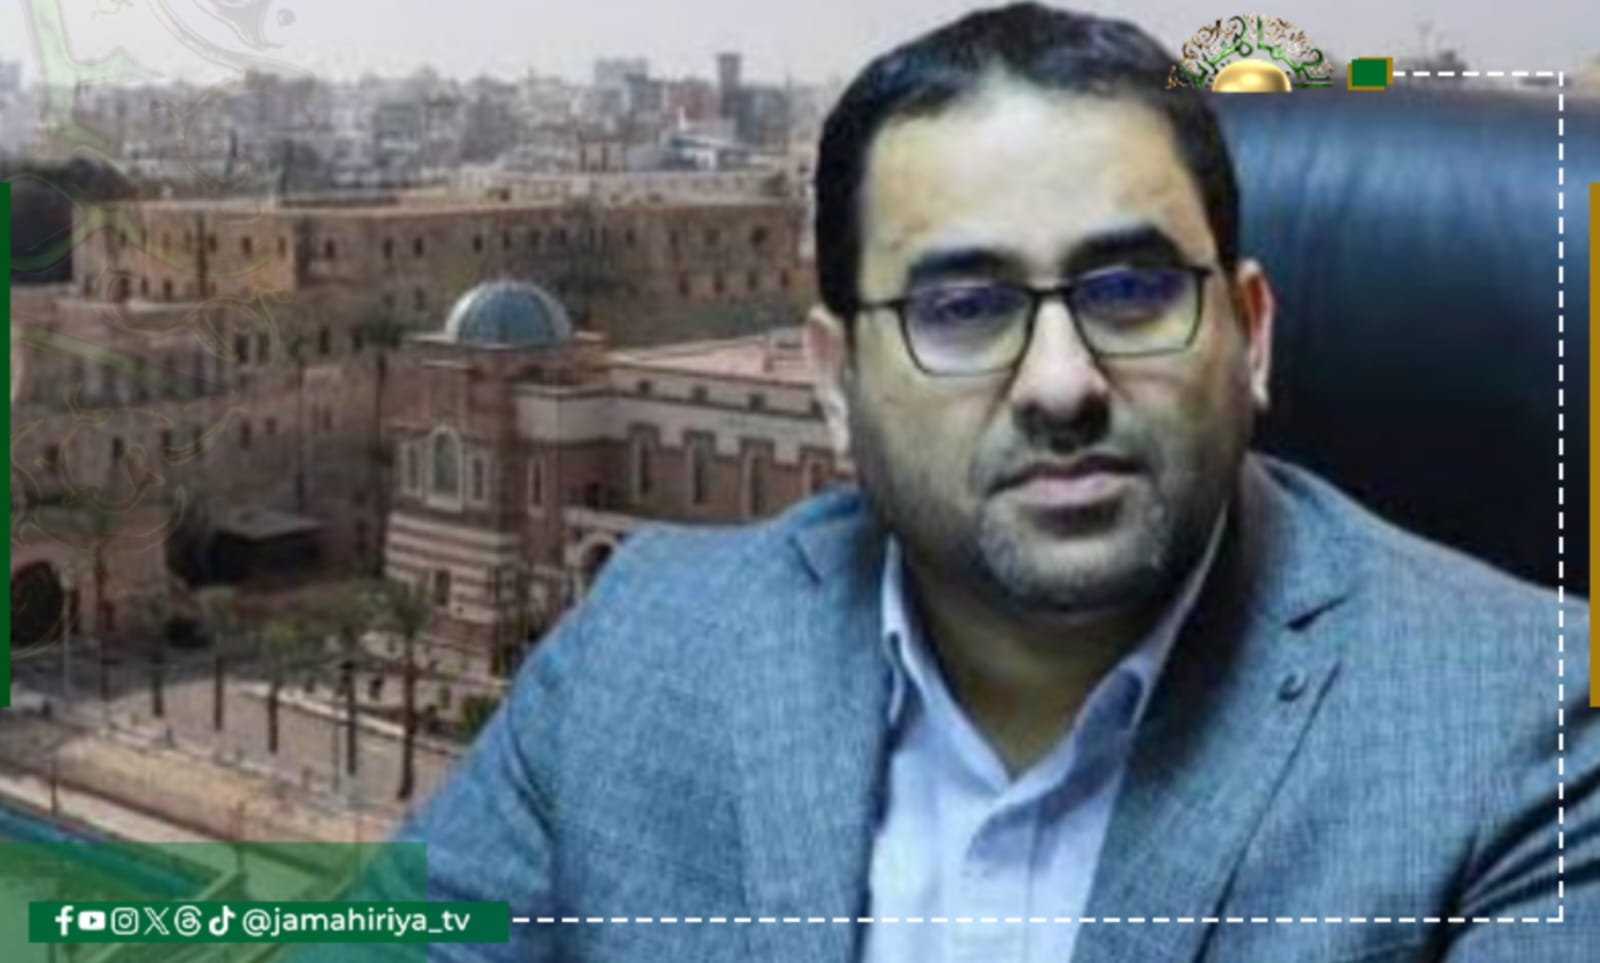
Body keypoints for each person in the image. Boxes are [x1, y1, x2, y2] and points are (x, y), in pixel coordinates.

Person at [396, 4, 1596, 961]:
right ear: (835, 382)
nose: (1060, 383)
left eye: (1132, 293)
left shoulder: (1526, 736)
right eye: (963, 308)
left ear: (1250, 334)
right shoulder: (643, 645)